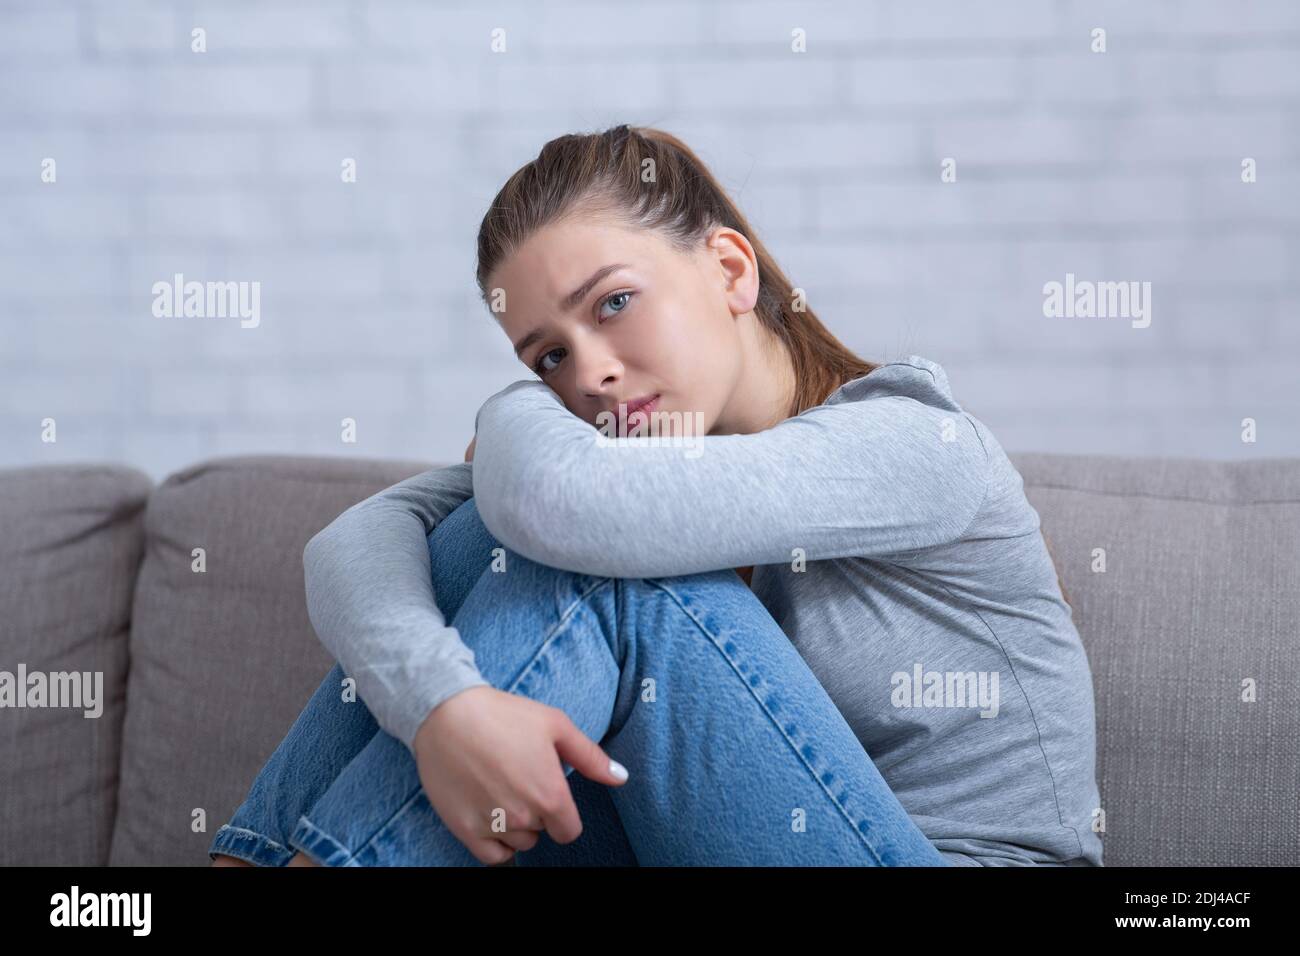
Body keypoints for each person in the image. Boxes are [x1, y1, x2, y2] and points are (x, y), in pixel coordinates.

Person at [210, 124, 1102, 867]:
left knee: (604, 569)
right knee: (482, 541)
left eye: (614, 303)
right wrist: (444, 708)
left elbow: (566, 503)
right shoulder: (637, 466)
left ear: (728, 271)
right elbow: (352, 545)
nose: (589, 373)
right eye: (546, 357)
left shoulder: (922, 444)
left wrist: (514, 411)